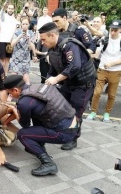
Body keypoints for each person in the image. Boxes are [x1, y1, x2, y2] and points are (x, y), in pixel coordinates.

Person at [3, 75, 79, 176]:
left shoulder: (24, 102)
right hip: (73, 124)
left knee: (23, 135)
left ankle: (48, 163)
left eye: (10, 93)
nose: (10, 96)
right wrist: (7, 120)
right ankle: (39, 144)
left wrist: (16, 112)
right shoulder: (38, 87)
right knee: (36, 115)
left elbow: (25, 125)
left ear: (16, 90)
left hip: (64, 133)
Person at [39, 22, 96, 150]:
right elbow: (53, 69)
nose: (42, 43)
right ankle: (63, 130)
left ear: (52, 36)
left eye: (44, 39)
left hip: (83, 85)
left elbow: (74, 66)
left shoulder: (69, 45)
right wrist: (48, 82)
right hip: (69, 83)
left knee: (75, 112)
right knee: (61, 107)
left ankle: (73, 138)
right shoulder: (53, 49)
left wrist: (57, 79)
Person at [86, 20, 121, 122]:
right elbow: (98, 51)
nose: (113, 32)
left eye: (115, 30)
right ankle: (93, 112)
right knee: (97, 92)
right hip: (102, 69)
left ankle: (107, 113)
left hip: (116, 71)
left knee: (111, 95)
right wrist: (93, 57)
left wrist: (112, 63)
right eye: (111, 30)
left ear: (120, 30)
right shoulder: (104, 39)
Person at [9, 17, 36, 85]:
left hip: (26, 57)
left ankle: (27, 92)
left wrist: (29, 40)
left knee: (26, 77)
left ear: (29, 25)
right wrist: (19, 37)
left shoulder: (31, 33)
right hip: (16, 57)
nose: (25, 25)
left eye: (26, 24)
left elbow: (31, 47)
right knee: (14, 75)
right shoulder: (17, 32)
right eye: (23, 24)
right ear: (21, 24)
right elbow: (12, 45)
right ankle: (11, 92)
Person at [0, 2, 17, 75]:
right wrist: (3, 5)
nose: (10, 10)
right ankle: (1, 75)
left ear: (13, 10)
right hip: (3, 41)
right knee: (2, 60)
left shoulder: (14, 19)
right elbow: (1, 12)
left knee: (8, 60)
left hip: (10, 42)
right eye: (9, 8)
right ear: (7, 9)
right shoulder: (3, 16)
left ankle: (5, 74)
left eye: (12, 9)